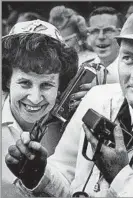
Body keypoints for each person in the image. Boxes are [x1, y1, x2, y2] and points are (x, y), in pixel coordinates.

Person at [6, 7, 133, 197]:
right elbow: (64, 173)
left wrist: (120, 176)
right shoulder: (97, 97)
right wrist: (39, 175)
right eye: (128, 58)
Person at [2, 19, 78, 196]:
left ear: (60, 86)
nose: (35, 99)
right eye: (25, 83)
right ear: (7, 80)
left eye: (46, 85)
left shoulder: (72, 127)